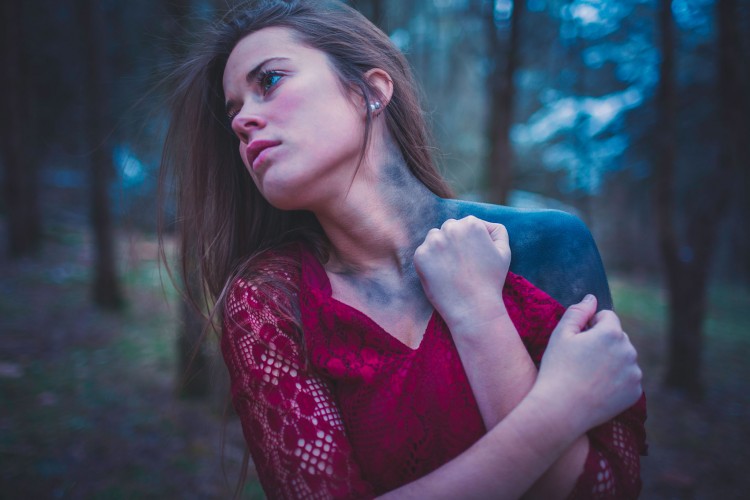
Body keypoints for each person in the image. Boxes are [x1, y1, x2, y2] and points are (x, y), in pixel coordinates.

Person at [160, 0, 647, 498]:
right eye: (235, 111)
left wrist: (479, 309)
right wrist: (558, 407)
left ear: (372, 90)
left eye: (269, 82)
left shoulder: (546, 245)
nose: (243, 123)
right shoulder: (270, 302)